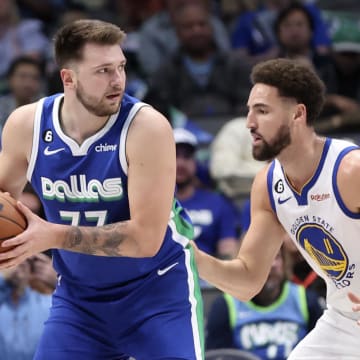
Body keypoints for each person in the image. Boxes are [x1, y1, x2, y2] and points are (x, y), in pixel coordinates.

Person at [0, 19, 204, 360]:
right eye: (104, 71)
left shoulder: (146, 128)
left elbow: (144, 239)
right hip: (79, 302)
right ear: (69, 78)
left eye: (121, 67)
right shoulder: (27, 126)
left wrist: (51, 237)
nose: (118, 81)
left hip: (156, 295)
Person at [191, 58, 360, 358]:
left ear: (297, 114)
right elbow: (247, 282)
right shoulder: (268, 186)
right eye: (249, 110)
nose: (249, 123)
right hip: (344, 321)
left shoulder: (349, 170)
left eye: (262, 111)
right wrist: (190, 256)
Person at [206, 244, 324, 359]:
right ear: (242, 264)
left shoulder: (306, 299)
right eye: (260, 257)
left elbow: (322, 351)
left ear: (284, 262)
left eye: (276, 257)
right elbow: (218, 355)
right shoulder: (225, 305)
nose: (271, 264)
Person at [174, 127, 239, 260]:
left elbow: (228, 253)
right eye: (174, 155)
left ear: (195, 162)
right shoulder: (151, 205)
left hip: (206, 277)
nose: (180, 163)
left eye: (186, 156)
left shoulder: (218, 203)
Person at [0, 254, 55, 360]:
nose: (20, 265)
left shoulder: (48, 303)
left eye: (26, 261)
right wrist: (4, 279)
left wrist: (59, 280)